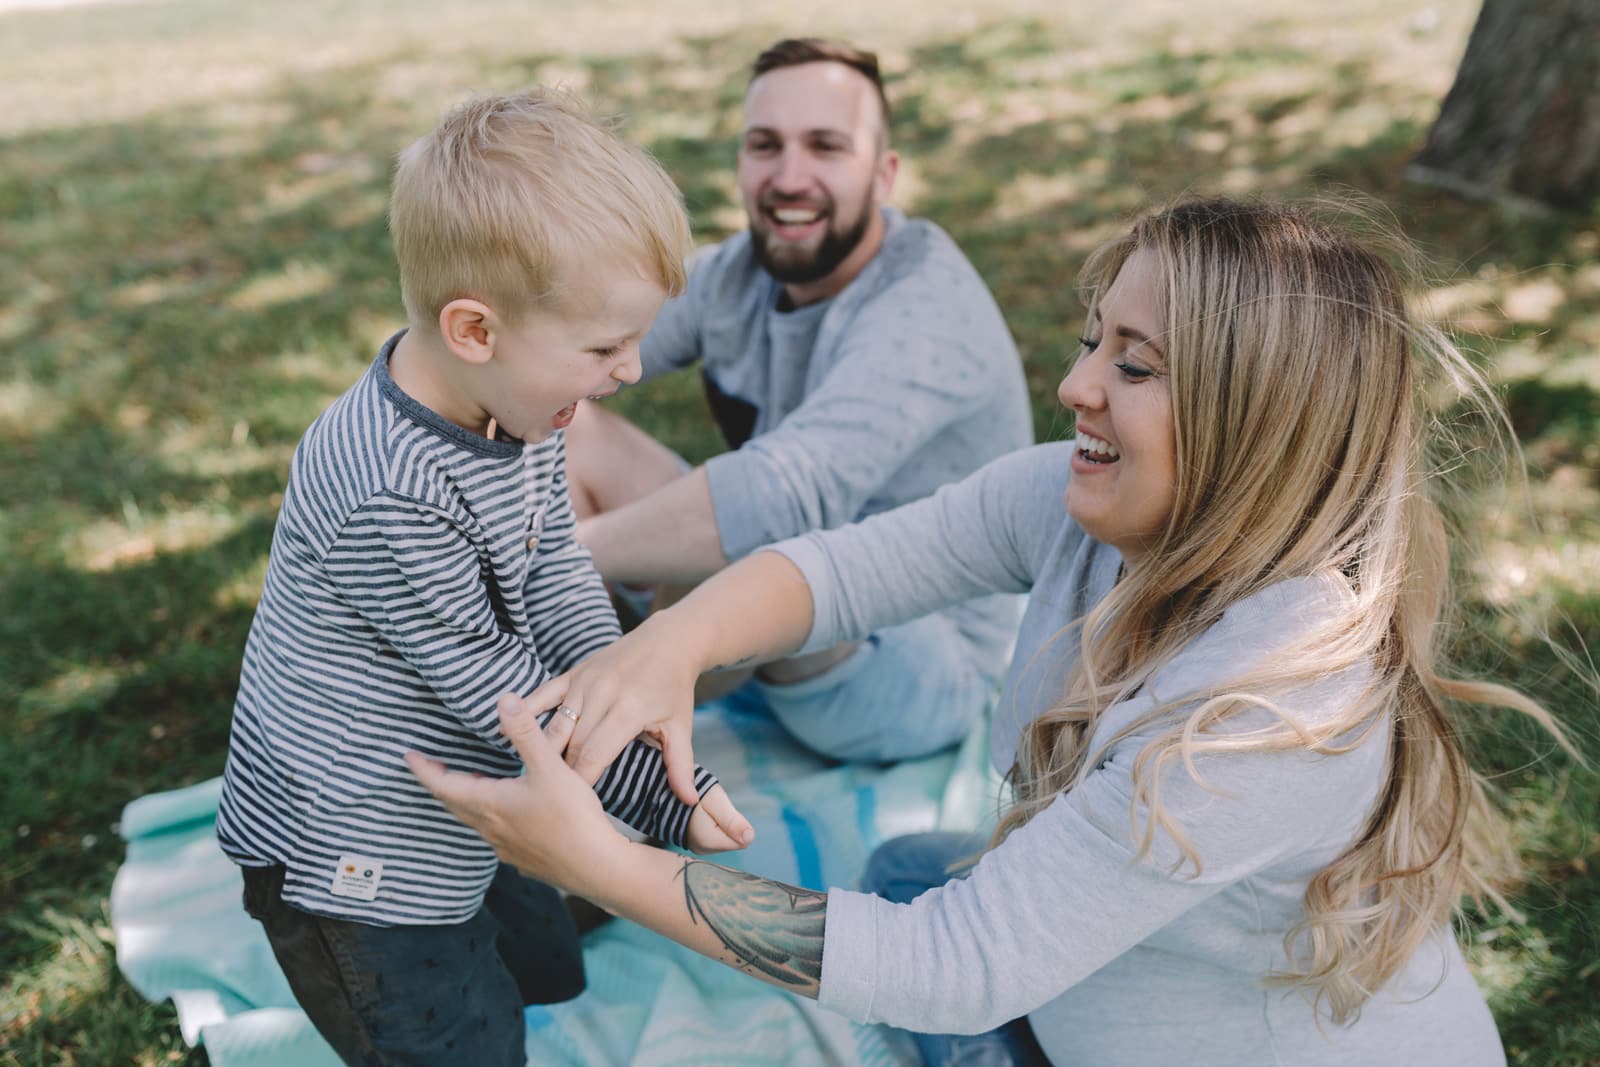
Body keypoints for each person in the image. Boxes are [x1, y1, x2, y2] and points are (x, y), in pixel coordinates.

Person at [411, 198, 1576, 1066]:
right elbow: (851, 565)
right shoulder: (1081, 508)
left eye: (1134, 365)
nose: (1075, 386)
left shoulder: (1273, 717)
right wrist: (668, 648)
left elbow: (954, 968)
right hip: (1078, 994)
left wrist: (597, 863)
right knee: (910, 872)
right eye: (1092, 341)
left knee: (916, 925)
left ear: (1254, 426)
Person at [213, 89, 753, 1067]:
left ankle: (515, 912)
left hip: (455, 777)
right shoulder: (388, 486)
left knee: (540, 951)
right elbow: (490, 686)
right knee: (457, 1034)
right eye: (600, 347)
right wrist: (655, 790)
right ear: (474, 329)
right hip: (353, 848)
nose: (629, 369)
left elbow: (551, 561)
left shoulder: (513, 408)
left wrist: (621, 683)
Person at [558, 38, 1032, 772]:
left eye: (826, 147)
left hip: (921, 664)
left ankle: (591, 742)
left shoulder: (926, 306)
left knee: (746, 532)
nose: (789, 177)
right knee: (568, 426)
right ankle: (526, 686)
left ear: (885, 175)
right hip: (788, 595)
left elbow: (779, 498)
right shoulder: (738, 274)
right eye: (765, 145)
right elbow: (582, 340)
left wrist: (553, 554)